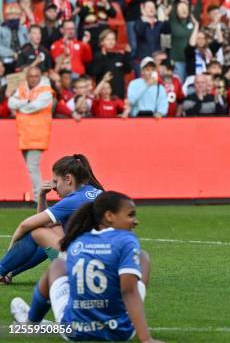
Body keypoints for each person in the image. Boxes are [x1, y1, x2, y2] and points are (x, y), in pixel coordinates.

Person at [9, 191, 162, 343]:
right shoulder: (127, 240)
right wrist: (146, 339)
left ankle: (31, 324)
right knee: (143, 257)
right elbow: (128, 291)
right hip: (119, 331)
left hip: (74, 332)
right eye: (130, 215)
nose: (135, 221)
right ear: (109, 216)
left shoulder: (79, 241)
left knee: (57, 266)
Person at [0, 154, 103, 285]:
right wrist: (42, 196)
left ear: (68, 179)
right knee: (52, 228)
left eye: (55, 181)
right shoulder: (95, 191)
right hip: (100, 259)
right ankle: (8, 274)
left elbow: (25, 226)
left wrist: (9, 252)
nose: (53, 187)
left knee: (37, 233)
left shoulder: (72, 201)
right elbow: (46, 223)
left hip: (83, 263)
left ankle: (1, 270)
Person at [7, 66, 53, 203]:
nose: (33, 79)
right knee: (31, 167)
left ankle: (38, 199)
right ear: (27, 77)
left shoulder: (46, 90)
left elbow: (35, 107)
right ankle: (38, 198)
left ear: (40, 76)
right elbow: (11, 103)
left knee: (33, 167)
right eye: (31, 76)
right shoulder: (23, 88)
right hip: (25, 135)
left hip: (38, 135)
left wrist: (21, 106)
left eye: (36, 76)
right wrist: (26, 102)